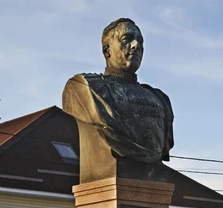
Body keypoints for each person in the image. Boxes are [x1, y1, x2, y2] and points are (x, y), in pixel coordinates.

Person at [62, 17, 174, 163]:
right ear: (106, 50)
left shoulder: (160, 98)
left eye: (140, 41)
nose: (136, 45)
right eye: (127, 39)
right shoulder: (85, 87)